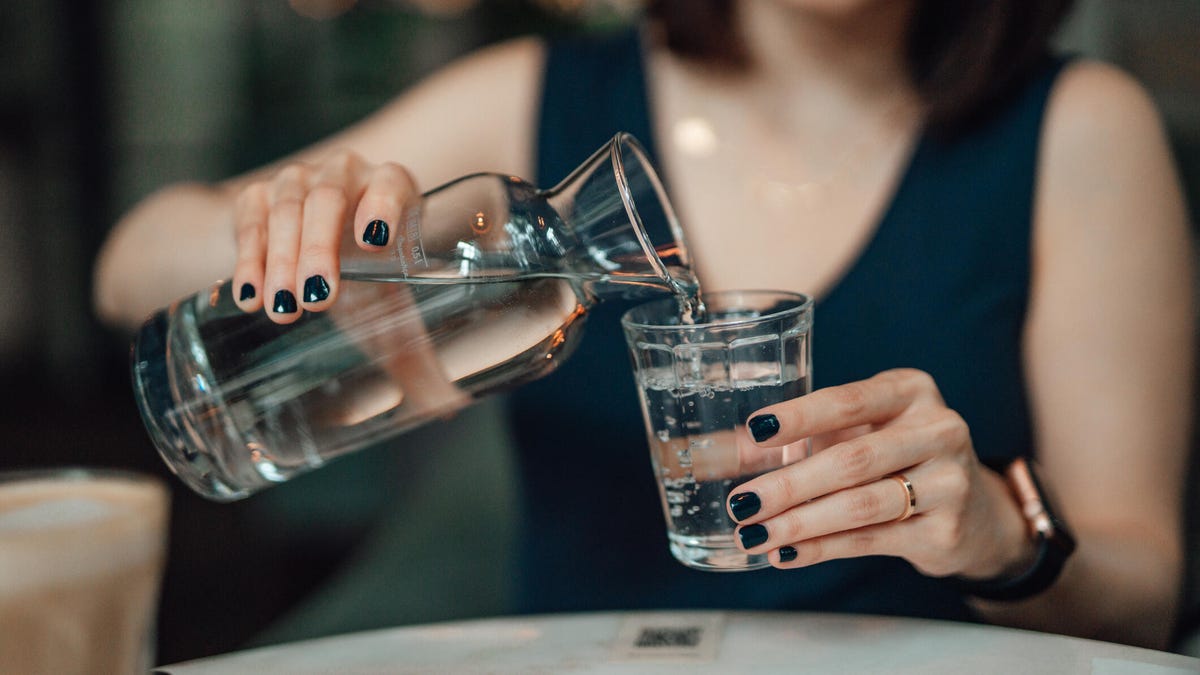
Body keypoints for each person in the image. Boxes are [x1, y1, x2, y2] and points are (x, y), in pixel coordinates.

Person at [94, 0, 1193, 650]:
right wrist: (294, 227)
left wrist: (1005, 536)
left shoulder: (1081, 130)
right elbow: (129, 267)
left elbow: (1141, 598)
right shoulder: (531, 99)